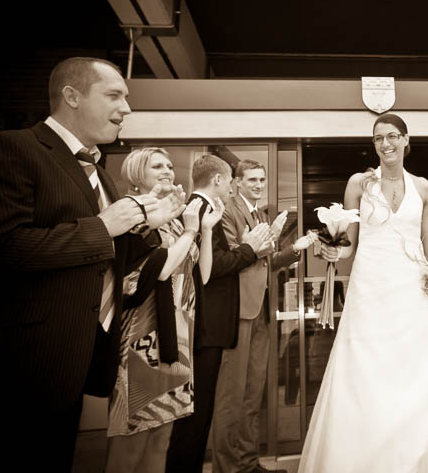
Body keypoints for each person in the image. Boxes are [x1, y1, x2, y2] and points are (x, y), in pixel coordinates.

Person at [0, 56, 185, 470]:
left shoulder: (100, 171)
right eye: (114, 95)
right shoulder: (11, 148)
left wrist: (149, 224)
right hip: (22, 366)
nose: (126, 108)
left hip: (76, 362)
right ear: (71, 96)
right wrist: (103, 225)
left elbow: (109, 257)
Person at [298, 113, 428, 473]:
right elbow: (349, 245)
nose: (386, 144)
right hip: (370, 293)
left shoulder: (423, 187)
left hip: (413, 294)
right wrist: (333, 250)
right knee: (368, 375)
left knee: (426, 373)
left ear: (406, 140)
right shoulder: (359, 185)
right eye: (378, 138)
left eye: (392, 136)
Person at [104, 148, 223, 473]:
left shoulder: (173, 221)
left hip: (178, 337)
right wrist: (188, 232)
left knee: (162, 441)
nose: (168, 170)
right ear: (136, 172)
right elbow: (160, 269)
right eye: (158, 165)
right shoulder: (131, 217)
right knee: (131, 444)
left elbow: (204, 274)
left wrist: (205, 230)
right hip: (143, 339)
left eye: (170, 165)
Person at [165, 155, 273, 473]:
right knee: (198, 413)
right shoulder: (200, 210)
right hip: (207, 324)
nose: (231, 188)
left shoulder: (204, 211)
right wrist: (250, 248)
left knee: (203, 411)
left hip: (211, 324)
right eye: (230, 181)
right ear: (219, 180)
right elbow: (211, 270)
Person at [212, 160, 314, 473]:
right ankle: (226, 468)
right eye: (252, 180)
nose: (258, 185)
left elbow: (267, 263)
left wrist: (295, 249)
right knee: (231, 398)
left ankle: (247, 463)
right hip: (239, 312)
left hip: (261, 312)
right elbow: (234, 256)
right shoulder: (227, 210)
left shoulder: (258, 214)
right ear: (237, 182)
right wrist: (269, 234)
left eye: (262, 180)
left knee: (253, 393)